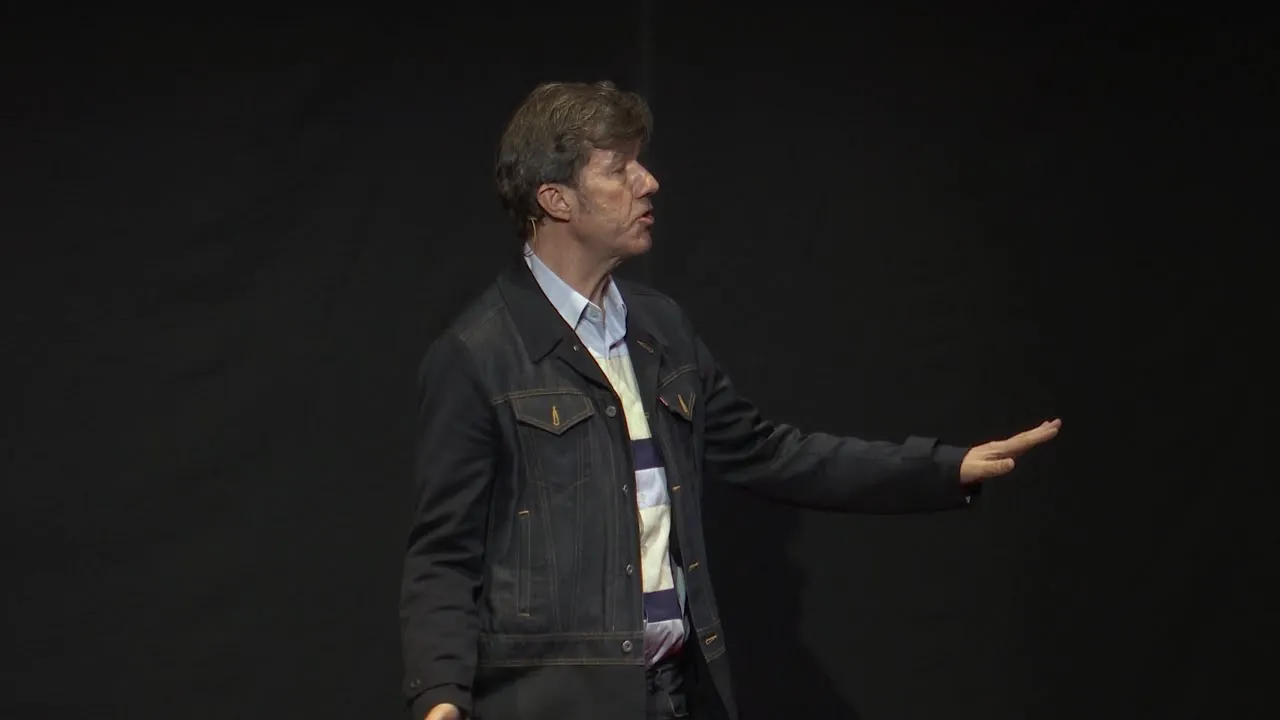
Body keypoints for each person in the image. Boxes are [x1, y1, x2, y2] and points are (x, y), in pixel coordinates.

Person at [399, 80, 1061, 720]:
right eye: (620, 169)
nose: (649, 182)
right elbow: (444, 554)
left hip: (675, 694)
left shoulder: (660, 329)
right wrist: (440, 696)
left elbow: (772, 454)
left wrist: (942, 468)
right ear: (557, 200)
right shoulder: (479, 354)